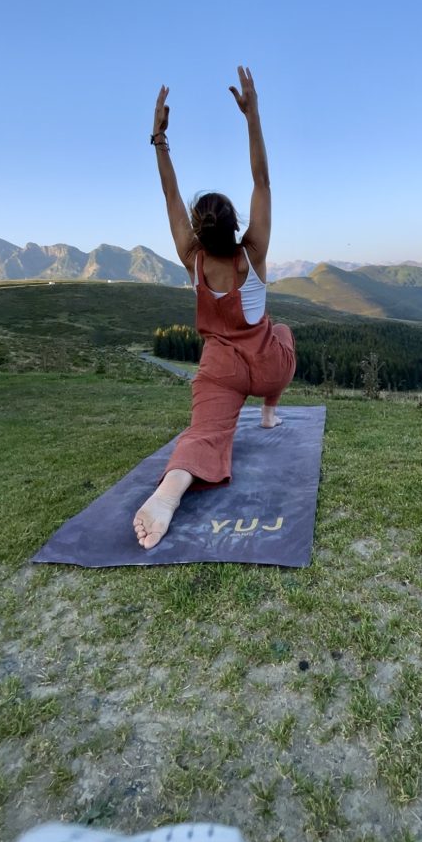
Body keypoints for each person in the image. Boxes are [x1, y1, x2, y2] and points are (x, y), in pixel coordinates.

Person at [133, 67, 296, 549]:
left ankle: (170, 490)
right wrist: (252, 114)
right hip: (266, 367)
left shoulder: (193, 259)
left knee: (203, 434)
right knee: (283, 332)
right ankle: (269, 411)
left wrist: (160, 138)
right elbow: (262, 180)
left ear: (200, 234)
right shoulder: (255, 251)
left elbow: (169, 194)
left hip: (218, 370)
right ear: (234, 226)